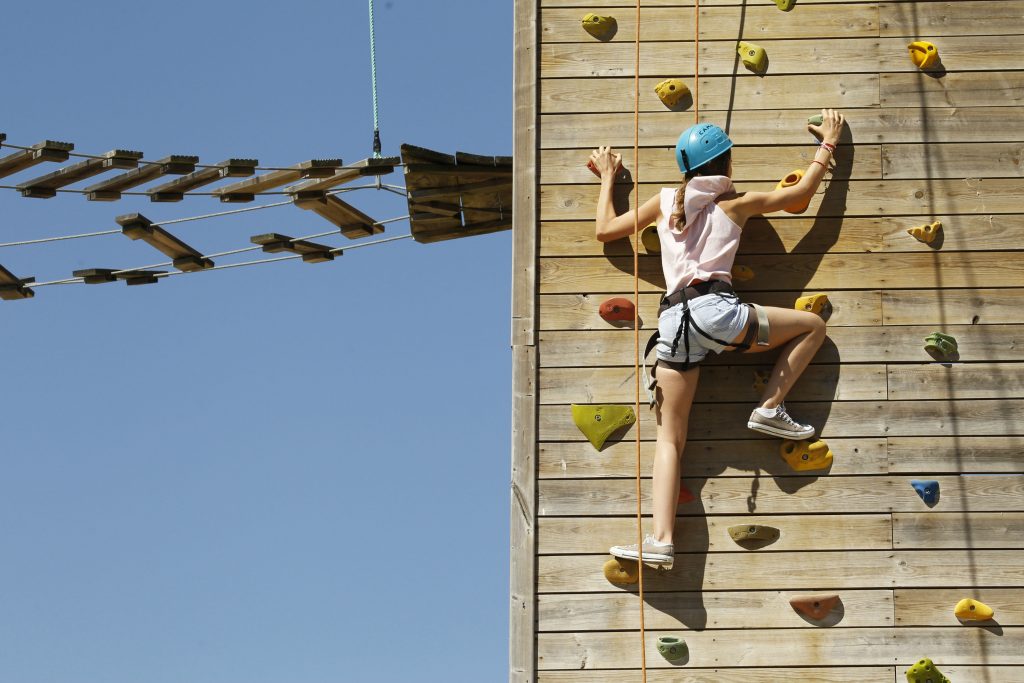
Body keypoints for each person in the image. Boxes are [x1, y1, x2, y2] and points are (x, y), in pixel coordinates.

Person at [590, 109, 846, 568]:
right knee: (812, 327)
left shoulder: (666, 201)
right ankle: (769, 408)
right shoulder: (736, 204)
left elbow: (605, 232)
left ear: (685, 168)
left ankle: (661, 543)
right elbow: (802, 195)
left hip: (672, 325)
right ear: (726, 165)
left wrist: (609, 177)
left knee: (670, 441)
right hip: (717, 316)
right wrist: (827, 144)